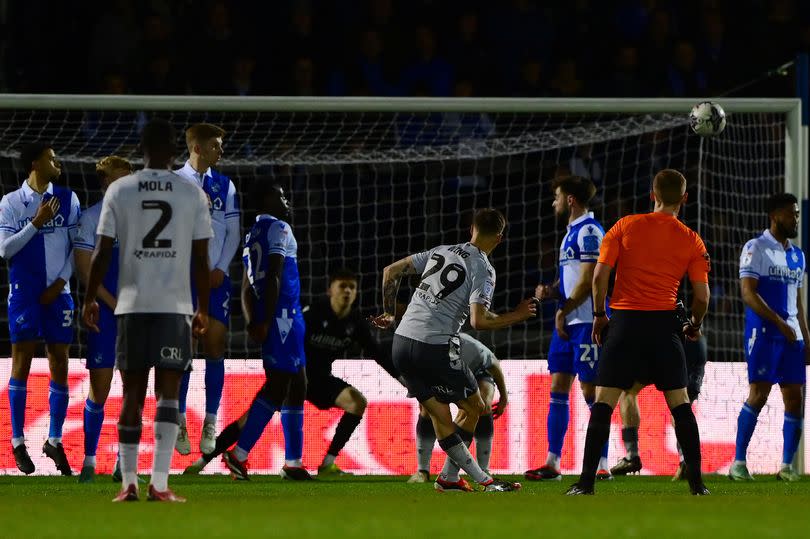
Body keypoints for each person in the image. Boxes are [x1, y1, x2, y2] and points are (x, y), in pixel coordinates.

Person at [82, 118, 212, 502]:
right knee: (168, 395)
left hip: (132, 307)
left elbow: (102, 251)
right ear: (174, 152)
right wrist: (203, 307)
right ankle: (159, 483)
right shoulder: (191, 194)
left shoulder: (120, 190)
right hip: (174, 307)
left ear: (141, 151)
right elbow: (202, 258)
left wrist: (90, 299)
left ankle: (128, 485)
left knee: (132, 395)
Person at [566, 169, 710, 496]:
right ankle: (698, 486)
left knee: (604, 403)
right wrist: (694, 324)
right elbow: (702, 296)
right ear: (685, 199)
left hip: (625, 323)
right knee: (680, 404)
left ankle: (586, 484)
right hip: (664, 328)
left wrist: (601, 316)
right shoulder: (691, 239)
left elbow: (599, 278)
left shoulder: (625, 226)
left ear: (652, 195)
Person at [371, 208, 534, 493]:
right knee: (477, 407)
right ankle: (484, 481)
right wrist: (518, 315)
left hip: (400, 344)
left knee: (440, 417)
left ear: (471, 228)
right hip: (433, 347)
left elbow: (390, 271)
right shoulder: (483, 268)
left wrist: (389, 312)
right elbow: (479, 320)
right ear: (499, 238)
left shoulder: (441, 251)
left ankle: (449, 479)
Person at [182, 267, 402, 477]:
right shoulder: (312, 314)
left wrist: (402, 379)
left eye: (352, 287)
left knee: (357, 402)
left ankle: (327, 464)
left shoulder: (355, 323)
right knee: (247, 421)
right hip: (291, 376)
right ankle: (202, 462)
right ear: (330, 290)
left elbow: (377, 353)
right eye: (342, 286)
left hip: (319, 381)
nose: (347, 291)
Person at [523, 175, 611, 482]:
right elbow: (573, 279)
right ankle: (553, 462)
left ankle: (602, 464)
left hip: (587, 321)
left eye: (558, 196)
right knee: (558, 387)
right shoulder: (570, 232)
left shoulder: (589, 230)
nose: (554, 202)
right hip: (570, 319)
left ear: (570, 199)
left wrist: (564, 311)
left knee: (590, 390)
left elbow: (590, 280)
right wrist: (551, 290)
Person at [0, 142, 81, 476]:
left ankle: (54, 440)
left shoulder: (69, 198)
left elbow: (78, 246)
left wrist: (61, 283)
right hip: (24, 291)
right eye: (51, 157)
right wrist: (35, 222)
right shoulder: (11, 203)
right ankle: (18, 442)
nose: (56, 161)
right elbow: (5, 250)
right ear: (35, 163)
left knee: (59, 362)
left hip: (58, 291)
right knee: (21, 361)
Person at [221, 182, 310, 481]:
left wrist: (252, 319)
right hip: (282, 314)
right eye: (280, 195)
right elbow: (273, 275)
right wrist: (267, 319)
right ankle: (238, 454)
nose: (286, 200)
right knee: (279, 385)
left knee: (297, 383)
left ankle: (294, 461)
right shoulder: (279, 228)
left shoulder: (251, 235)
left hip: (279, 314)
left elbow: (246, 286)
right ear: (265, 201)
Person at [729, 193, 807, 482]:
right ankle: (738, 462)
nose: (795, 219)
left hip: (792, 337)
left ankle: (786, 467)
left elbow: (797, 301)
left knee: (795, 399)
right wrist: (777, 322)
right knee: (758, 395)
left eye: (797, 214)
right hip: (763, 333)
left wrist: (805, 337)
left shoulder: (798, 255)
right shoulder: (755, 247)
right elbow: (748, 293)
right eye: (791, 214)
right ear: (774, 216)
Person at [175, 123, 240, 455]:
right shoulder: (174, 182)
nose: (221, 150)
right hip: (180, 278)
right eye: (215, 145)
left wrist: (221, 267)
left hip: (215, 277)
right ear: (197, 148)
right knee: (182, 348)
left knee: (215, 343)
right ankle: (179, 419)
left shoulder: (224, 185)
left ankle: (211, 420)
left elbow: (233, 230)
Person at [74, 156, 132, 483]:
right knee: (101, 385)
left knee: (131, 385)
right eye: (118, 178)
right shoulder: (90, 218)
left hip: (134, 312)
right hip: (105, 313)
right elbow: (85, 270)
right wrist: (113, 302)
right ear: (105, 182)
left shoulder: (142, 218)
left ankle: (124, 461)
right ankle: (90, 458)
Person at [610, 302, 708, 479]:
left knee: (628, 392)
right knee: (680, 405)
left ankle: (632, 455)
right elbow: (701, 302)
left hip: (666, 346)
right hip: (691, 347)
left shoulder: (645, 299)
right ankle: (685, 460)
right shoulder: (673, 299)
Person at [407, 332, 508, 483]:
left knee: (482, 406)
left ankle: (483, 470)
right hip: (444, 377)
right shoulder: (421, 354)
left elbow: (494, 365)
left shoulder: (472, 350)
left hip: (478, 374)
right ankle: (423, 471)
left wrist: (504, 398)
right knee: (426, 409)